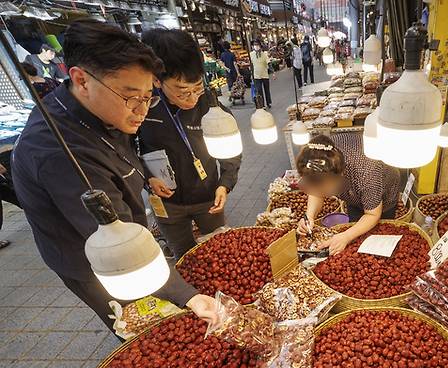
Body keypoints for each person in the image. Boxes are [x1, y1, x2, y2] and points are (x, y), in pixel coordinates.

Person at [11, 19, 218, 333]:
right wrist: (187, 296)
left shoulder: (102, 111)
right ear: (81, 80)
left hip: (124, 234)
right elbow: (116, 235)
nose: (142, 110)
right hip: (97, 262)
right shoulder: (61, 153)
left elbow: (120, 156)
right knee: (142, 333)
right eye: (131, 97)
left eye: (149, 96)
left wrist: (145, 177)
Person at [139, 28, 241, 260]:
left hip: (208, 196)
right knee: (184, 257)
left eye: (197, 88)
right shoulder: (140, 107)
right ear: (157, 79)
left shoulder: (210, 106)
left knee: (219, 252)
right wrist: (146, 177)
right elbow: (124, 151)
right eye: (183, 91)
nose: (193, 98)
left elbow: (231, 150)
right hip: (166, 203)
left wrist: (225, 184)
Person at [296, 134, 400, 256]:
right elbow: (316, 189)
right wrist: (310, 216)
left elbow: (372, 214)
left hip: (385, 189)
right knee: (356, 235)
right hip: (356, 189)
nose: (322, 195)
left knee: (379, 238)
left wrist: (346, 236)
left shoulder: (367, 173)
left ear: (340, 177)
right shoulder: (318, 155)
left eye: (324, 191)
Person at [250, 39, 271, 108]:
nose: (256, 46)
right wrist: (251, 75)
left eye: (257, 44)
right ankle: (262, 104)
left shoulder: (264, 54)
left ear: (260, 45)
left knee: (266, 90)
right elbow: (251, 65)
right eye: (255, 45)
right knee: (259, 90)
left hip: (264, 74)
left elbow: (268, 62)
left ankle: (269, 102)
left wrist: (273, 72)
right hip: (256, 75)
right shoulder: (251, 54)